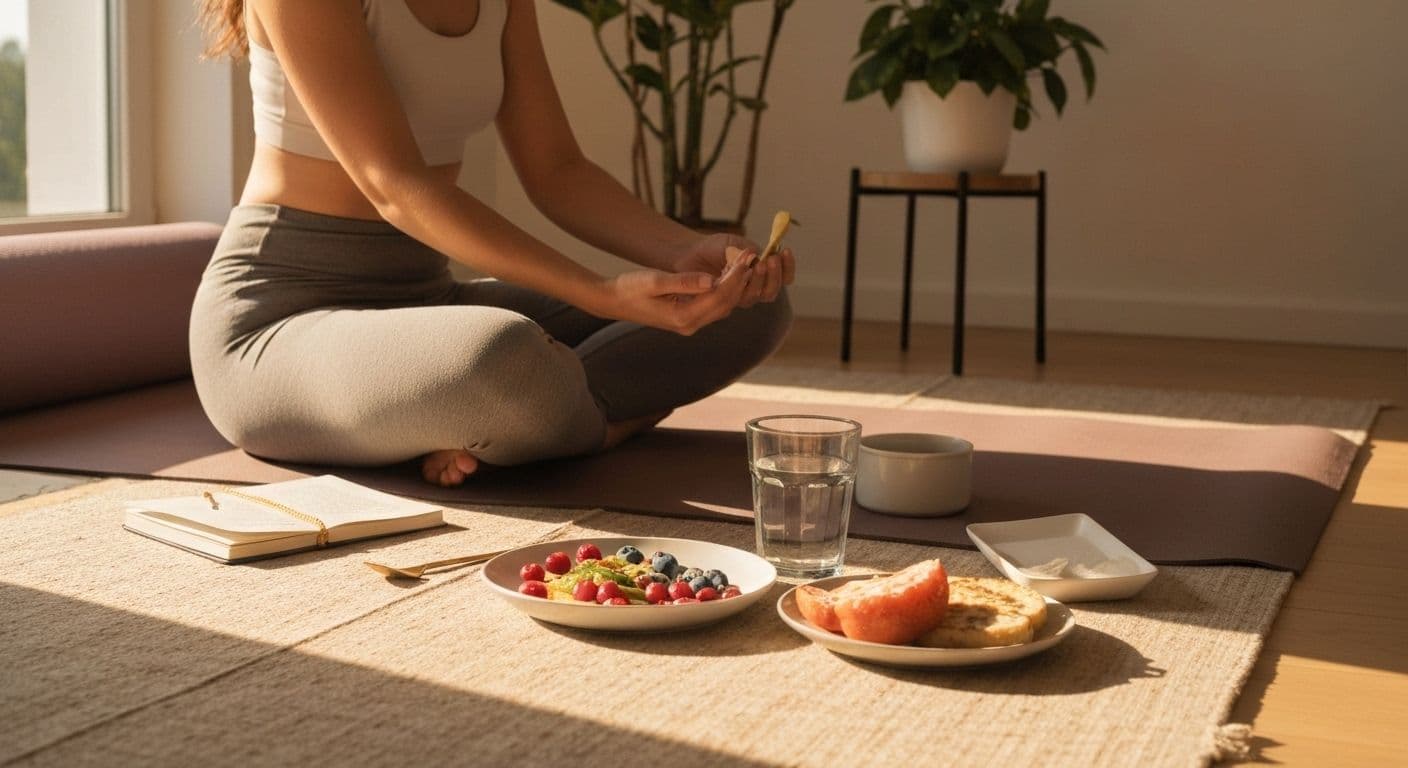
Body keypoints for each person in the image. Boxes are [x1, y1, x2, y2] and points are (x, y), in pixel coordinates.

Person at [190, 0, 795, 487]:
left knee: (747, 305)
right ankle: (589, 421)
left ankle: (500, 423)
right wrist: (601, 293)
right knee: (498, 355)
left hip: (423, 301)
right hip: (277, 324)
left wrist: (682, 253)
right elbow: (393, 184)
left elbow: (557, 169)